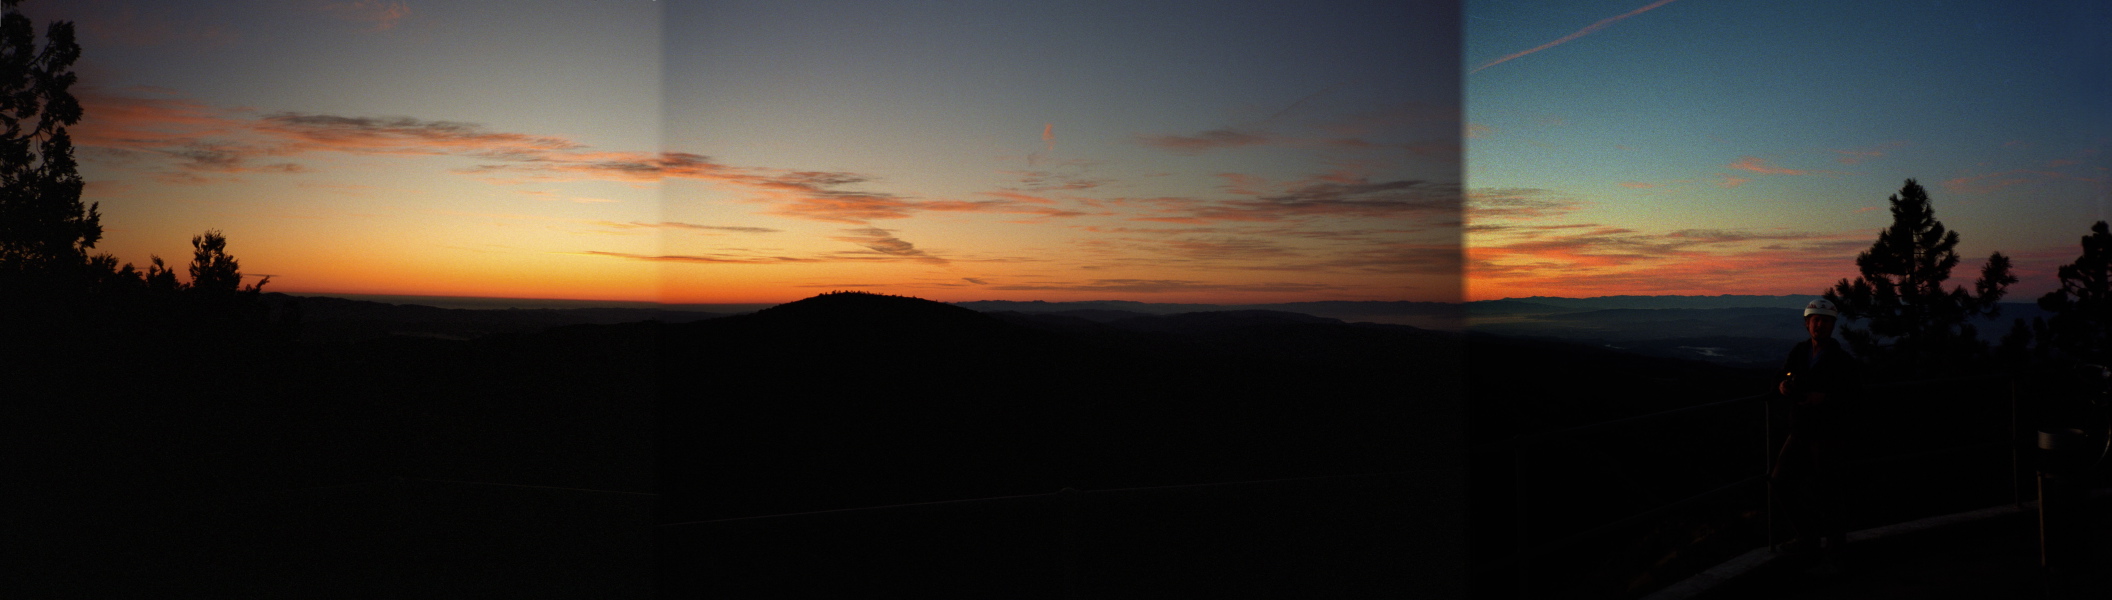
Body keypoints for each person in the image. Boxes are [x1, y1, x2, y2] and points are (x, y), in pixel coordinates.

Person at [1772, 298, 1859, 555]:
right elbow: (1783, 374)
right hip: (1800, 430)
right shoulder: (1799, 352)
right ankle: (1808, 537)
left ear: (1832, 326)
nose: (1819, 325)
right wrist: (1782, 386)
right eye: (1815, 320)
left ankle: (1834, 551)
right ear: (1807, 323)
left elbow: (1854, 395)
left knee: (1829, 493)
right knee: (1780, 482)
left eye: (1824, 321)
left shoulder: (1842, 361)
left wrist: (1825, 398)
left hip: (1828, 435)